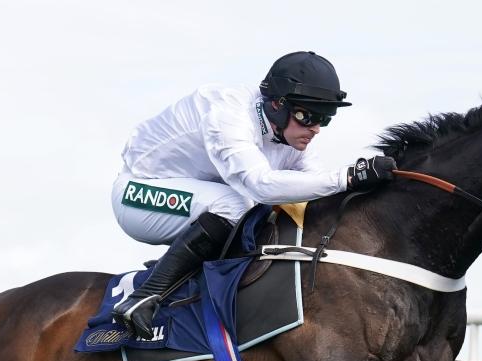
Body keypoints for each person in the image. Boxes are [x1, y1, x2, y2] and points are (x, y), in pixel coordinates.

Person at [110, 50, 397, 340]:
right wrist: (348, 177)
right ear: (277, 105)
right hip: (137, 194)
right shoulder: (228, 116)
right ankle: (144, 297)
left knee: (263, 207)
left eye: (325, 118)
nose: (315, 129)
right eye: (307, 116)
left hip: (189, 195)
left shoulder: (289, 138)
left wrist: (366, 187)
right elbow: (260, 185)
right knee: (238, 203)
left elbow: (317, 188)